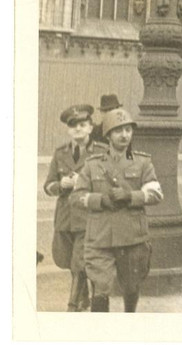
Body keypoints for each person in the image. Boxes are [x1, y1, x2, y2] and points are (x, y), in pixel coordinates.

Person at [72, 108, 163, 312]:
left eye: (128, 130)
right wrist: (100, 200)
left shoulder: (142, 162)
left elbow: (156, 194)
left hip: (132, 237)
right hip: (100, 238)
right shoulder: (92, 165)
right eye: (118, 131)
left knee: (131, 288)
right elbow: (76, 197)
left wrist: (131, 196)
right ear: (108, 135)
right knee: (100, 289)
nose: (124, 135)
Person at [43, 104, 106, 311]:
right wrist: (61, 185)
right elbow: (48, 186)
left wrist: (84, 182)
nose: (78, 129)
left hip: (88, 217)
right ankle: (85, 297)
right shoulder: (60, 153)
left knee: (79, 261)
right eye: (73, 126)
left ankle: (73, 305)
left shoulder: (101, 153)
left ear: (90, 127)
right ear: (68, 129)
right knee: (70, 261)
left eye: (82, 124)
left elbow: (109, 186)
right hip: (65, 217)